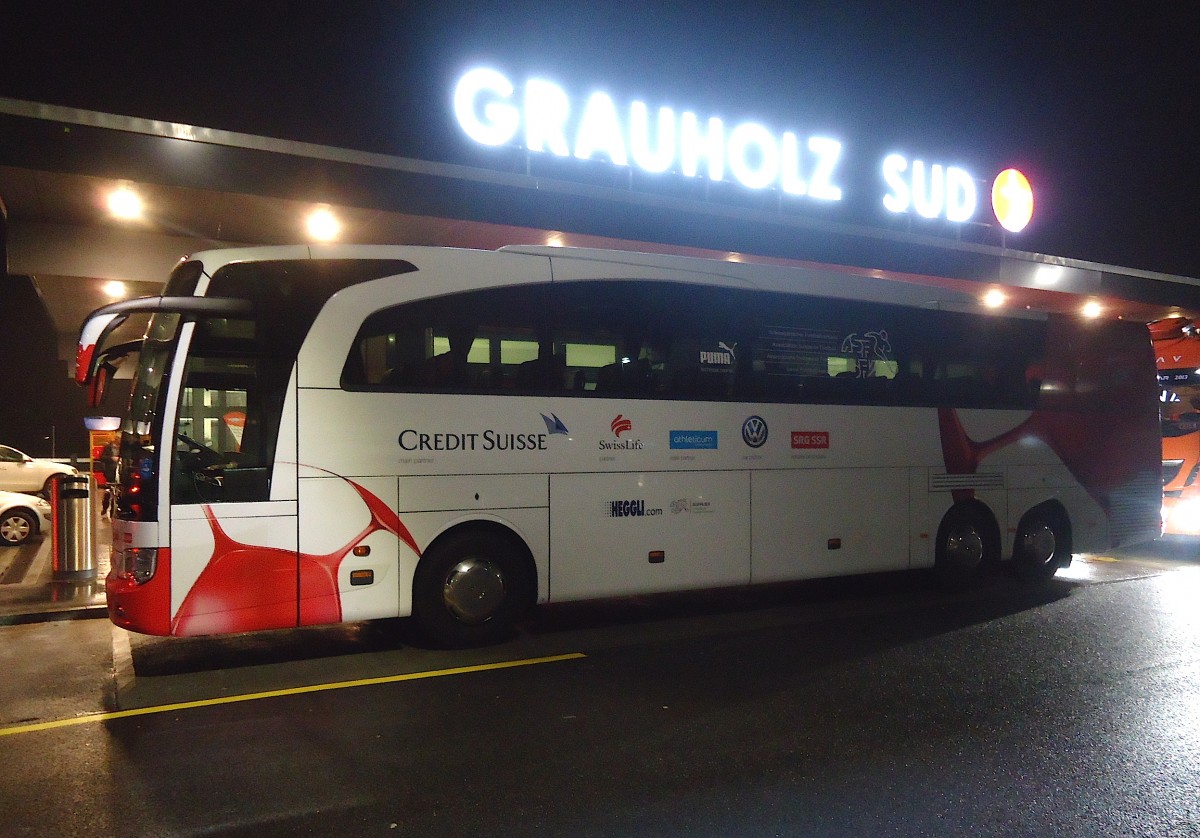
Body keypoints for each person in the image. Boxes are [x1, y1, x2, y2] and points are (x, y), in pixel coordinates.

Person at [99, 441, 118, 518]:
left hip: (120, 472)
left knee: (116, 494)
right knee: (109, 492)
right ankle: (104, 509)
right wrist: (111, 458)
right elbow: (102, 458)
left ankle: (112, 512)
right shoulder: (108, 447)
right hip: (110, 473)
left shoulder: (124, 448)